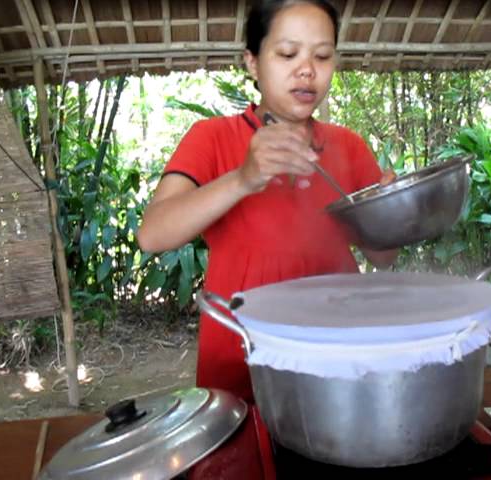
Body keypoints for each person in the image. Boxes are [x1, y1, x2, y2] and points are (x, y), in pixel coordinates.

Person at [137, 0, 398, 402]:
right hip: (242, 353)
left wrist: (389, 212)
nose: (307, 69)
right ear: (253, 63)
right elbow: (152, 235)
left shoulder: (348, 146)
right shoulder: (212, 138)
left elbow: (383, 257)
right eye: (288, 53)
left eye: (322, 55)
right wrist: (244, 178)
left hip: (340, 349)